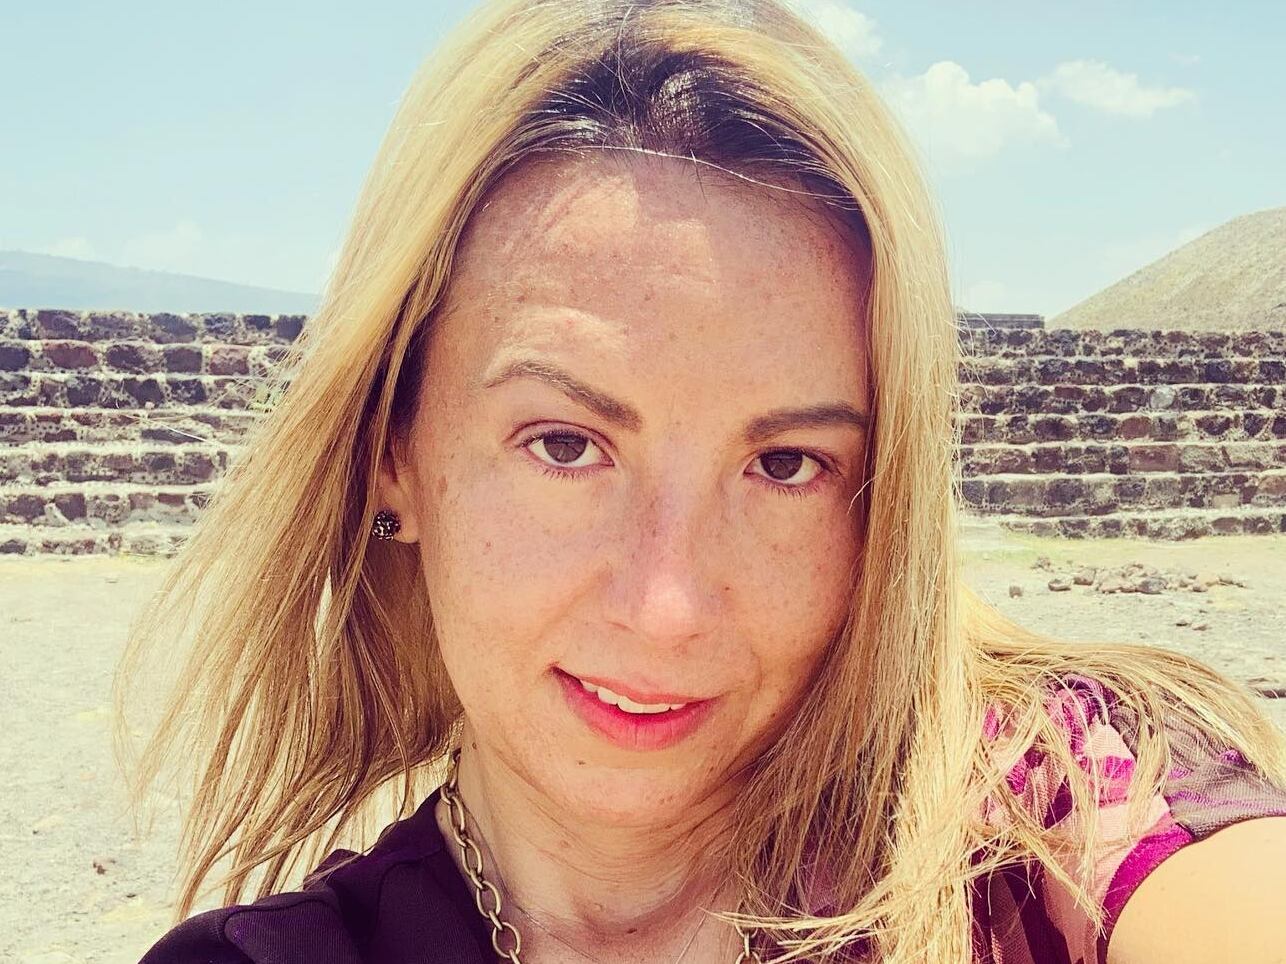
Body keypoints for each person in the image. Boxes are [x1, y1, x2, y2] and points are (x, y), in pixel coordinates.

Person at [117, 1, 1286, 962]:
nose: (667, 607)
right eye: (564, 444)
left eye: (784, 464)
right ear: (396, 455)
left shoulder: (1052, 812)